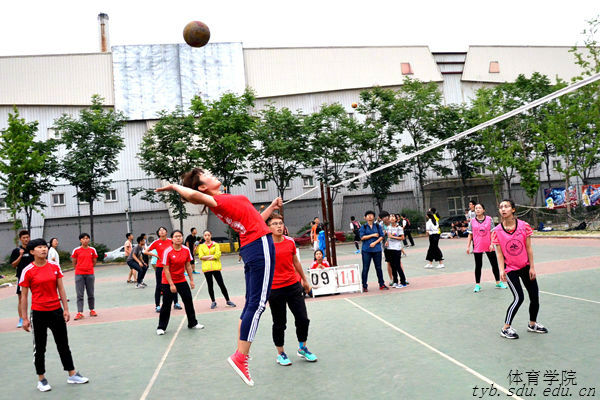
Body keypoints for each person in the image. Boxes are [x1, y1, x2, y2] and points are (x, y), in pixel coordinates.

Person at [156, 168, 282, 387]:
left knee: (252, 303)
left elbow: (254, 223)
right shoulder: (216, 201)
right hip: (259, 246)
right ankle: (241, 357)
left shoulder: (223, 200)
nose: (212, 175)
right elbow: (193, 195)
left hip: (253, 244)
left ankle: (240, 353)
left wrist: (270, 208)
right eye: (207, 175)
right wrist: (175, 187)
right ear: (202, 187)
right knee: (259, 304)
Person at [18, 238, 89, 392]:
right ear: (32, 251)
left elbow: (61, 289)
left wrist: (66, 309)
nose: (44, 249)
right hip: (38, 313)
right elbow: (24, 296)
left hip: (56, 311)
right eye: (39, 247)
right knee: (40, 348)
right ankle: (41, 379)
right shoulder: (27, 271)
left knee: (63, 344)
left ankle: (72, 374)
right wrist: (24, 318)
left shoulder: (54, 267)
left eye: (45, 247)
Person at [263, 213, 317, 366]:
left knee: (303, 319)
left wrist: (304, 280)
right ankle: (280, 353)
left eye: (280, 223)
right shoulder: (265, 245)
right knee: (280, 323)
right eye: (275, 224)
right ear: (268, 227)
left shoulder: (290, 242)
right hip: (275, 289)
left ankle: (302, 348)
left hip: (293, 286)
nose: (279, 226)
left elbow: (296, 262)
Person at [492, 199, 548, 340]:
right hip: (510, 269)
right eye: (501, 207)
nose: (503, 209)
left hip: (525, 266)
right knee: (519, 297)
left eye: (506, 206)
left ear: (513, 209)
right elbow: (499, 253)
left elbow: (529, 248)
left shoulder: (524, 226)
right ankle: (505, 328)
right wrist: (501, 270)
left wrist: (532, 267)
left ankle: (532, 324)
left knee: (534, 296)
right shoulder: (497, 231)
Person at [156, 230, 204, 335]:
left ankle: (193, 323)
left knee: (188, 301)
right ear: (172, 239)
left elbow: (188, 266)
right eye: (176, 236)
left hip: (181, 280)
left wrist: (191, 280)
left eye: (180, 236)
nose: (178, 238)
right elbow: (166, 269)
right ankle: (161, 327)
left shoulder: (186, 250)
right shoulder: (167, 251)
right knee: (166, 304)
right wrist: (171, 284)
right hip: (168, 281)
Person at [466, 203, 507, 293]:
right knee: (478, 265)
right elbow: (470, 234)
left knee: (494, 264)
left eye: (479, 208)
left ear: (483, 210)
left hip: (489, 245)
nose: (477, 210)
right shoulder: (472, 221)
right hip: (477, 246)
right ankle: (477, 285)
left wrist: (492, 243)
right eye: (476, 208)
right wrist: (468, 246)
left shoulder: (489, 219)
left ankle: (498, 282)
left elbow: (492, 232)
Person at [144, 227, 181, 313]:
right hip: (160, 266)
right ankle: (157, 306)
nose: (162, 231)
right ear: (158, 233)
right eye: (160, 230)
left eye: (163, 230)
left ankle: (176, 303)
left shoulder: (171, 241)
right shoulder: (156, 242)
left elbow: (178, 248)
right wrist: (155, 255)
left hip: (171, 266)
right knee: (159, 286)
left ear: (166, 232)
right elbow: (145, 251)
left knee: (173, 283)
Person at [197, 230, 236, 310]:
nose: (207, 237)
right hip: (207, 269)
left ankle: (228, 300)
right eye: (205, 235)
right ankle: (213, 301)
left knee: (221, 284)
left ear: (211, 235)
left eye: (208, 235)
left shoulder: (216, 244)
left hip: (216, 268)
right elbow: (201, 256)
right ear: (203, 236)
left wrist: (208, 257)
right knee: (210, 285)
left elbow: (218, 255)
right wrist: (212, 256)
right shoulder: (201, 246)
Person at [359, 210, 388, 292]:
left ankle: (381, 284)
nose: (370, 216)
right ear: (365, 217)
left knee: (378, 267)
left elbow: (381, 236)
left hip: (377, 250)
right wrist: (373, 235)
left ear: (374, 217)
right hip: (366, 250)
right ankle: (364, 285)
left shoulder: (377, 226)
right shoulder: (363, 227)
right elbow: (362, 237)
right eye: (368, 215)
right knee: (365, 268)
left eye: (371, 215)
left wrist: (375, 243)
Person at [71, 233, 98, 320]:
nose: (85, 240)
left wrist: (89, 267)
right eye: (83, 238)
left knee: (91, 293)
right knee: (80, 294)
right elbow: (74, 261)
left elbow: (94, 261)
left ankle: (92, 310)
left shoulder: (92, 250)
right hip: (79, 274)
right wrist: (78, 269)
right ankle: (80, 312)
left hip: (90, 274)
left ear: (89, 239)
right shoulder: (76, 250)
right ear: (80, 240)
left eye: (87, 238)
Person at [10, 230, 32, 328]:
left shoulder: (33, 249)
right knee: (21, 298)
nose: (26, 239)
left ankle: (37, 316)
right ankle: (22, 318)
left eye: (27, 237)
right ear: (20, 239)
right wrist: (20, 255)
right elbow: (13, 265)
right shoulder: (16, 251)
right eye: (24, 238)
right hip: (22, 278)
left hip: (34, 277)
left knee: (38, 295)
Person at [387, 214, 408, 288]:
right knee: (392, 266)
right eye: (390, 217)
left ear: (396, 219)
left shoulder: (399, 228)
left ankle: (403, 282)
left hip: (397, 248)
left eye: (393, 217)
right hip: (390, 248)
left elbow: (402, 238)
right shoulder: (389, 227)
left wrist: (392, 237)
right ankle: (395, 281)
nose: (392, 218)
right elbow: (388, 237)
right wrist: (387, 241)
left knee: (398, 265)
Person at [379, 211, 394, 286]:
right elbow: (379, 235)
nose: (385, 218)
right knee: (389, 262)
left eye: (386, 216)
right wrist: (383, 233)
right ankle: (391, 279)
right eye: (383, 217)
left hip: (395, 245)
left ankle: (402, 278)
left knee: (398, 262)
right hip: (386, 246)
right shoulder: (380, 225)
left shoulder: (393, 222)